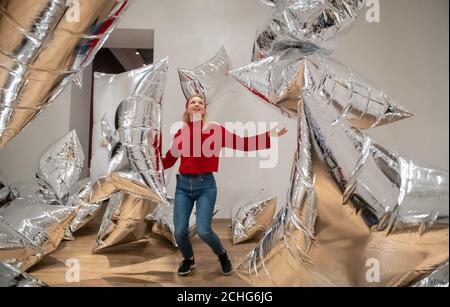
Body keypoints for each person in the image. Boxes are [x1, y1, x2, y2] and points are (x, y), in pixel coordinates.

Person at [161, 94, 288, 276]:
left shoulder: (215, 131)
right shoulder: (180, 134)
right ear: (187, 109)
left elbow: (243, 144)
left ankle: (222, 254)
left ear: (204, 109)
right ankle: (188, 259)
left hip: (205, 186)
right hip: (182, 186)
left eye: (200, 103)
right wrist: (151, 154)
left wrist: (269, 136)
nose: (197, 104)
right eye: (192, 102)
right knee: (180, 231)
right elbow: (168, 160)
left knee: (204, 230)